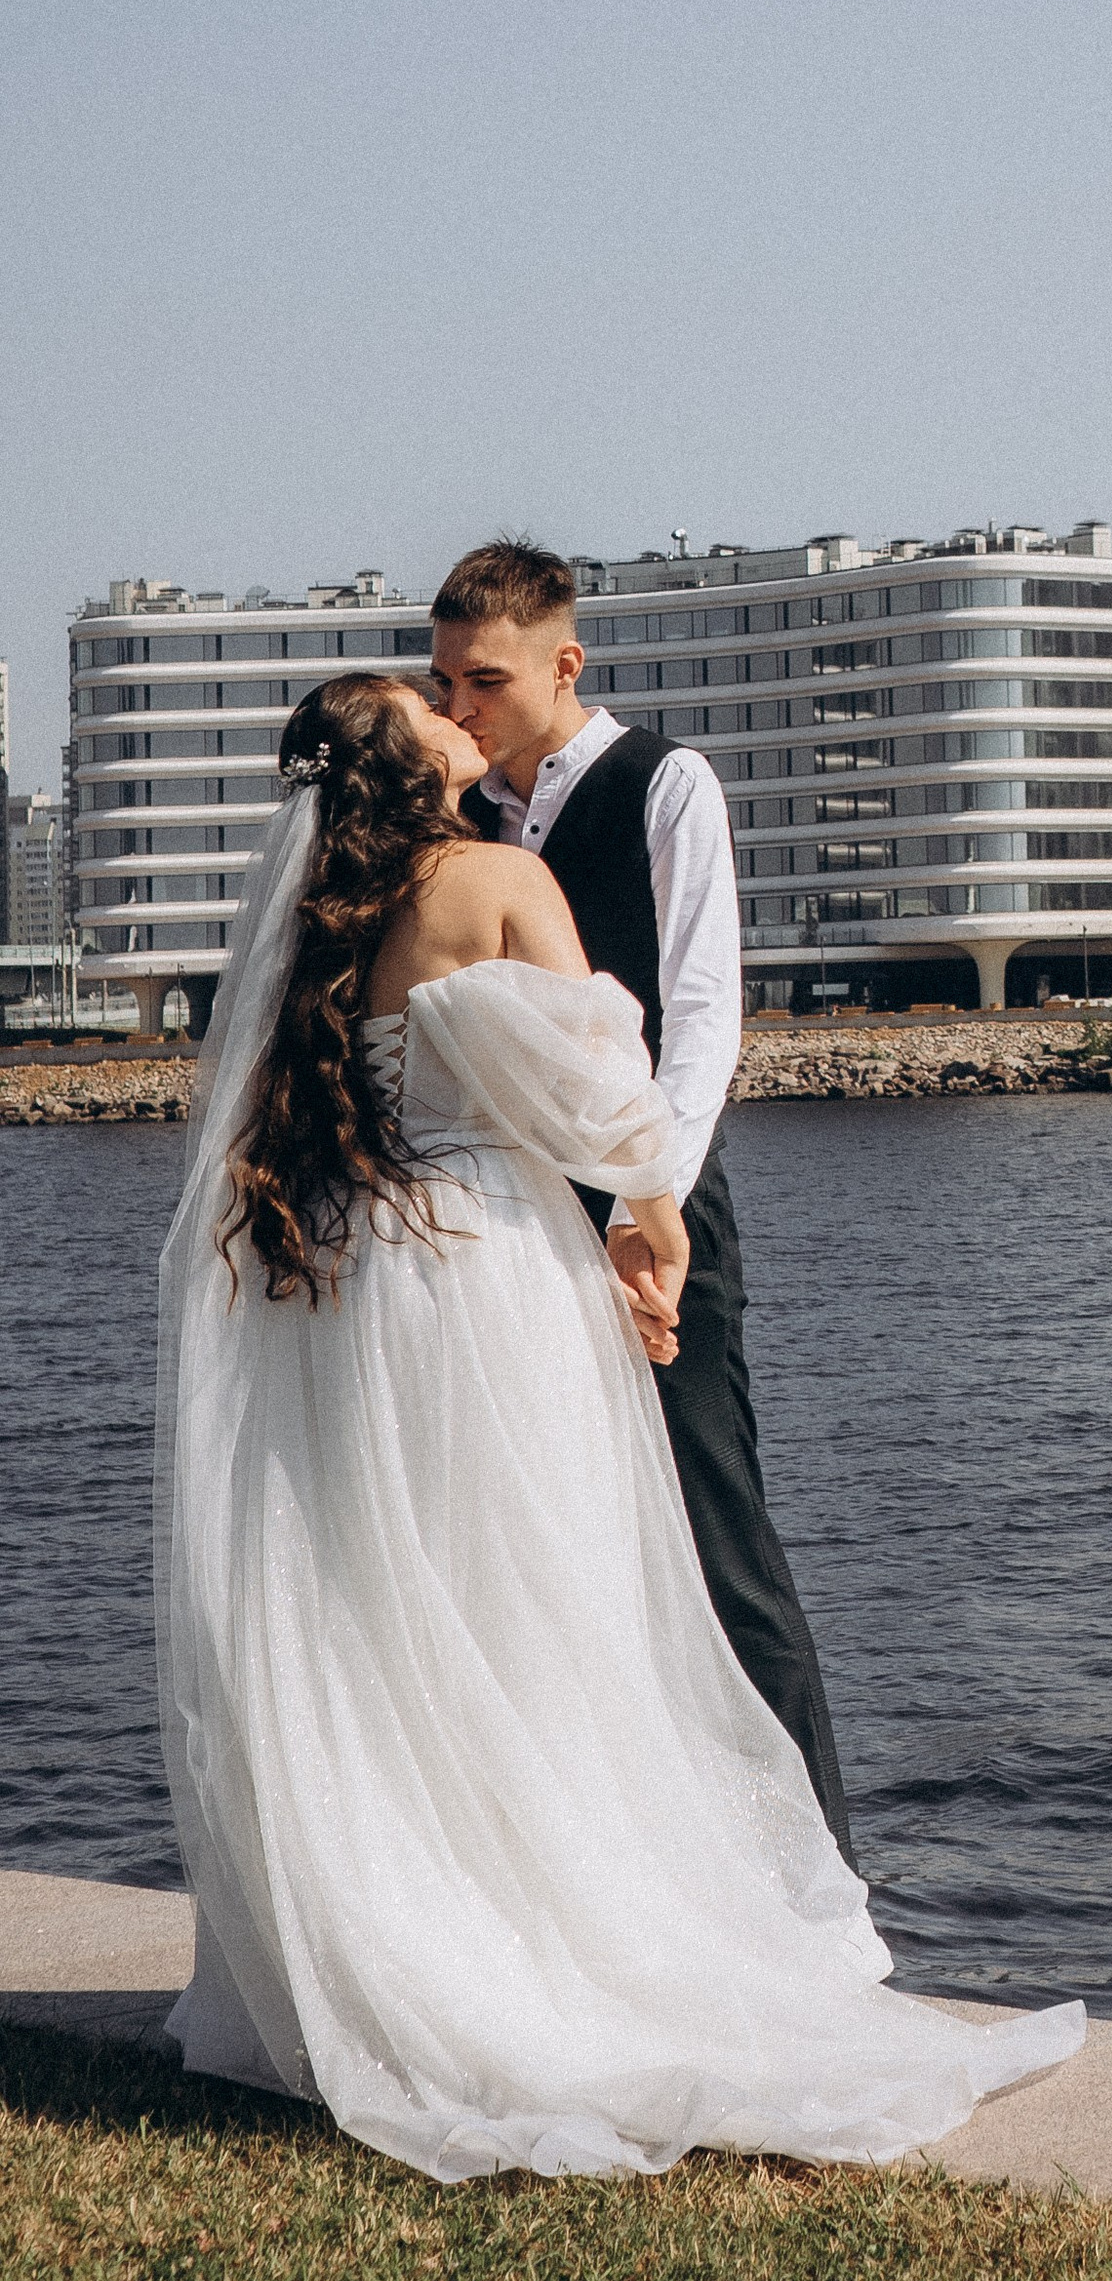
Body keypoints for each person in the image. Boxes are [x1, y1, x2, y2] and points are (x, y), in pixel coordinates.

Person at [156, 670, 1079, 2179]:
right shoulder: (501, 878)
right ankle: (570, 1947)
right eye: (429, 706)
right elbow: (604, 1093)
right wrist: (654, 1235)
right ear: (410, 756)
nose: (459, 717)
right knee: (544, 1605)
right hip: (493, 1278)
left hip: (353, 1286)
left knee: (392, 1615)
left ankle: (415, 1935)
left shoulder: (317, 916)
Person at [427, 537, 851, 1863]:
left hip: (652, 1216)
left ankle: (821, 1885)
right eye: (443, 685)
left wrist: (639, 1201)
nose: (458, 711)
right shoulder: (462, 821)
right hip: (513, 1239)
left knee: (717, 1540)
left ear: (565, 662)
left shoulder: (667, 783)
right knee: (556, 1554)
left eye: (481, 683)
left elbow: (704, 1015)